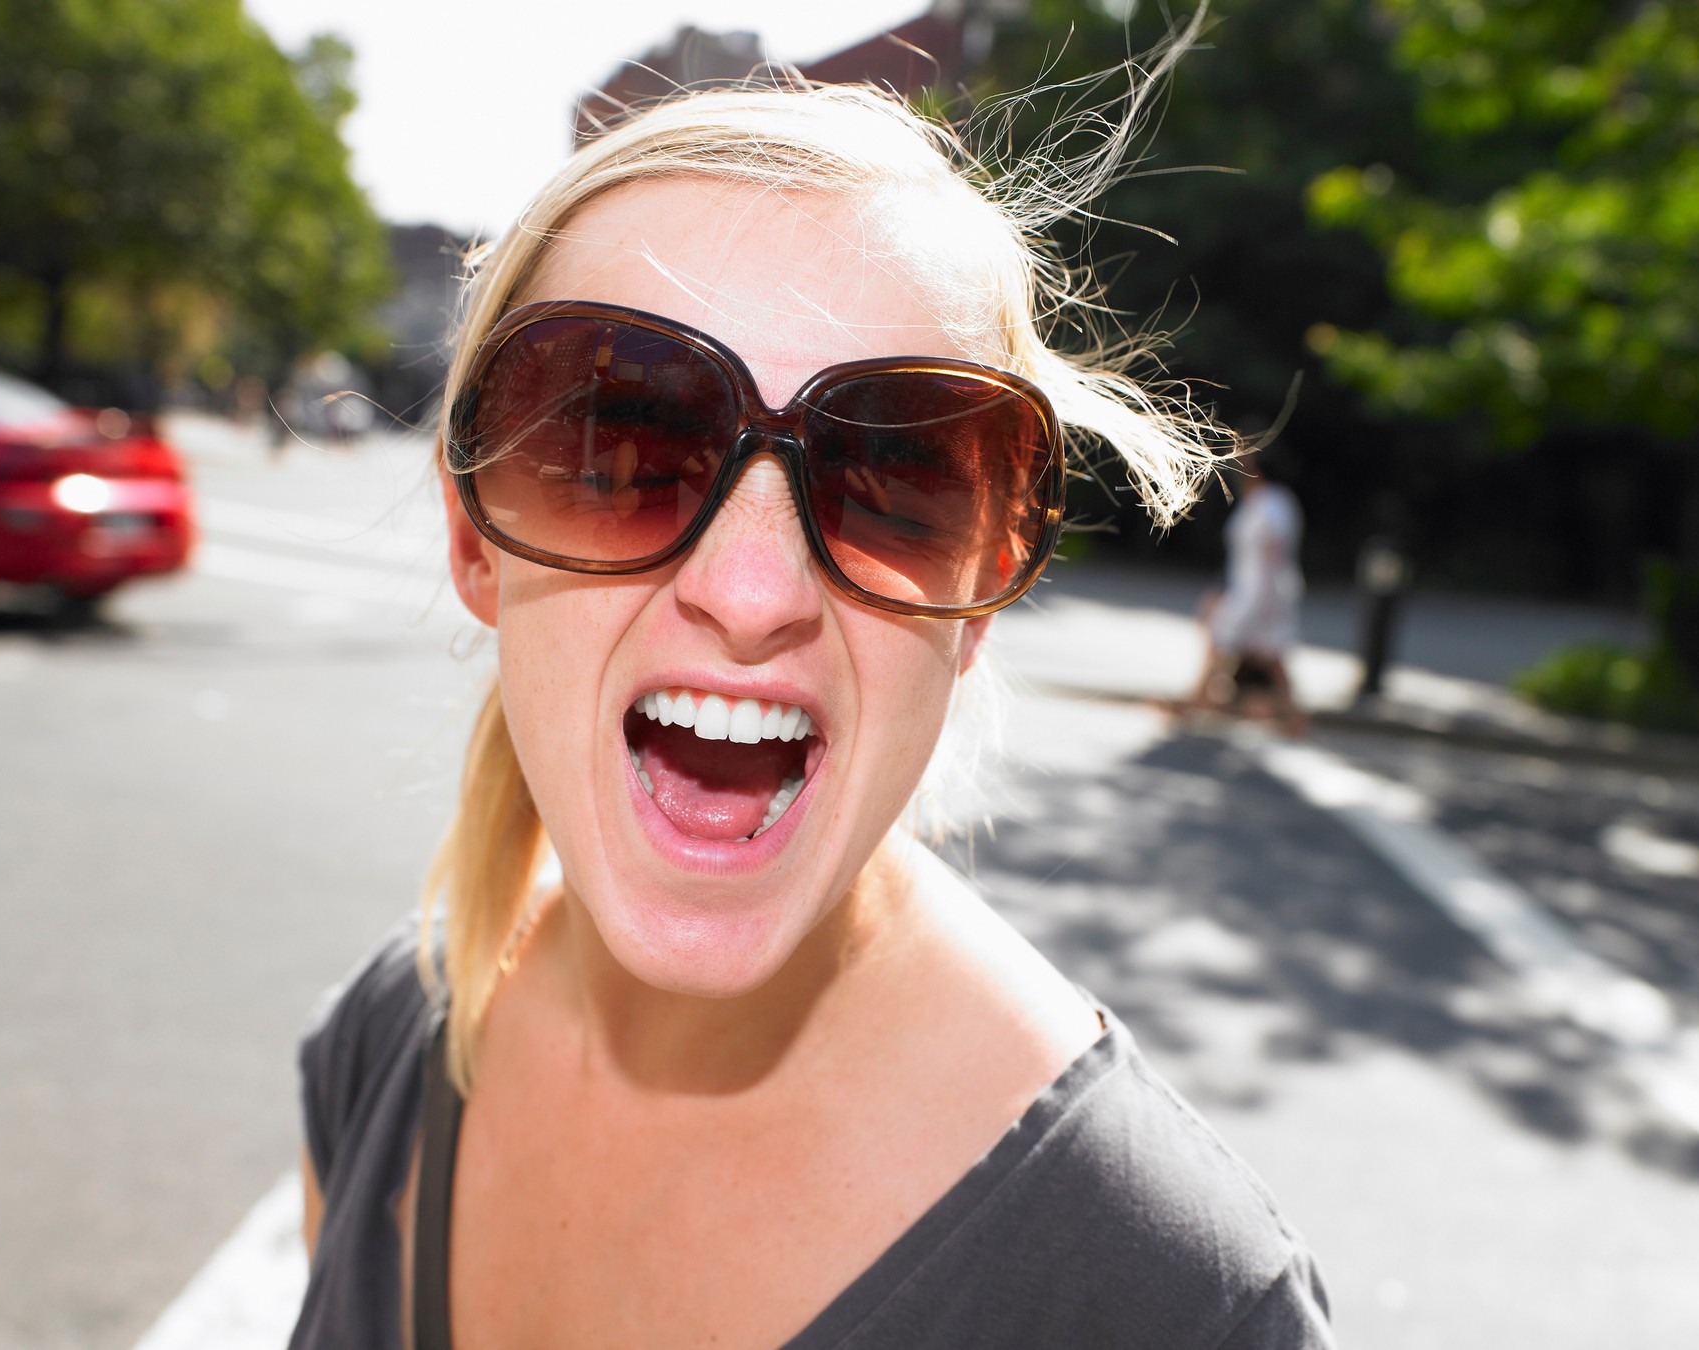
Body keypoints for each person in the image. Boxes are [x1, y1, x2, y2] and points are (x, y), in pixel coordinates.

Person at [291, 72, 1334, 1350]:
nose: (750, 591)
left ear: (985, 595)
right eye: (626, 448)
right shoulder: (381, 1049)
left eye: (896, 476)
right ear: (476, 539)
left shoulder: (1167, 1302)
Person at [1184, 449, 1308, 734]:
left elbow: (1270, 557)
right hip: (1253, 592)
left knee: (1224, 644)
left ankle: (1198, 700)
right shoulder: (1264, 502)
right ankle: (1292, 717)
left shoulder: (1272, 504)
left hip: (1258, 595)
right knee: (1269, 656)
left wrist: (1260, 601)